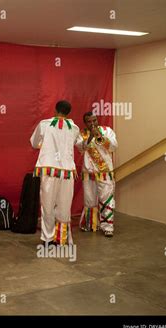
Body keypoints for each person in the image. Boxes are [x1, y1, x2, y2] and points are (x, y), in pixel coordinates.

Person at [30, 100, 80, 246]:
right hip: (67, 173)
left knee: (47, 206)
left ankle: (48, 239)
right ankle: (62, 238)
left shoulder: (44, 124)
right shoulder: (75, 128)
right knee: (64, 206)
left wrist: (45, 146)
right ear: (69, 112)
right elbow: (79, 143)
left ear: (55, 109)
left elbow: (34, 143)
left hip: (49, 171)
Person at [75, 111, 118, 237]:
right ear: (85, 123)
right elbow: (81, 149)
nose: (92, 123)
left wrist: (101, 138)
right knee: (89, 201)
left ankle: (107, 227)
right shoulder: (81, 135)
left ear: (97, 120)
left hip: (105, 172)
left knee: (106, 199)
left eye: (94, 120)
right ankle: (91, 224)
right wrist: (90, 138)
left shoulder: (107, 130)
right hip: (88, 174)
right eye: (89, 121)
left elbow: (113, 147)